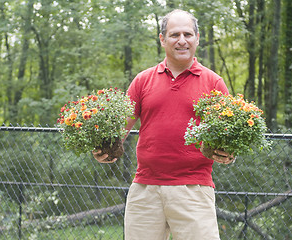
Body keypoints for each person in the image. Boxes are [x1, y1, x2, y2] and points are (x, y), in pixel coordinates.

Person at [93, 9, 234, 240]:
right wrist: (103, 148)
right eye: (174, 34)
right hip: (146, 189)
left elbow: (229, 136)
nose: (181, 41)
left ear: (197, 38)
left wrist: (229, 153)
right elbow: (121, 129)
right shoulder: (142, 80)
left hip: (194, 190)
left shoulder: (213, 82)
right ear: (162, 39)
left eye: (188, 34)